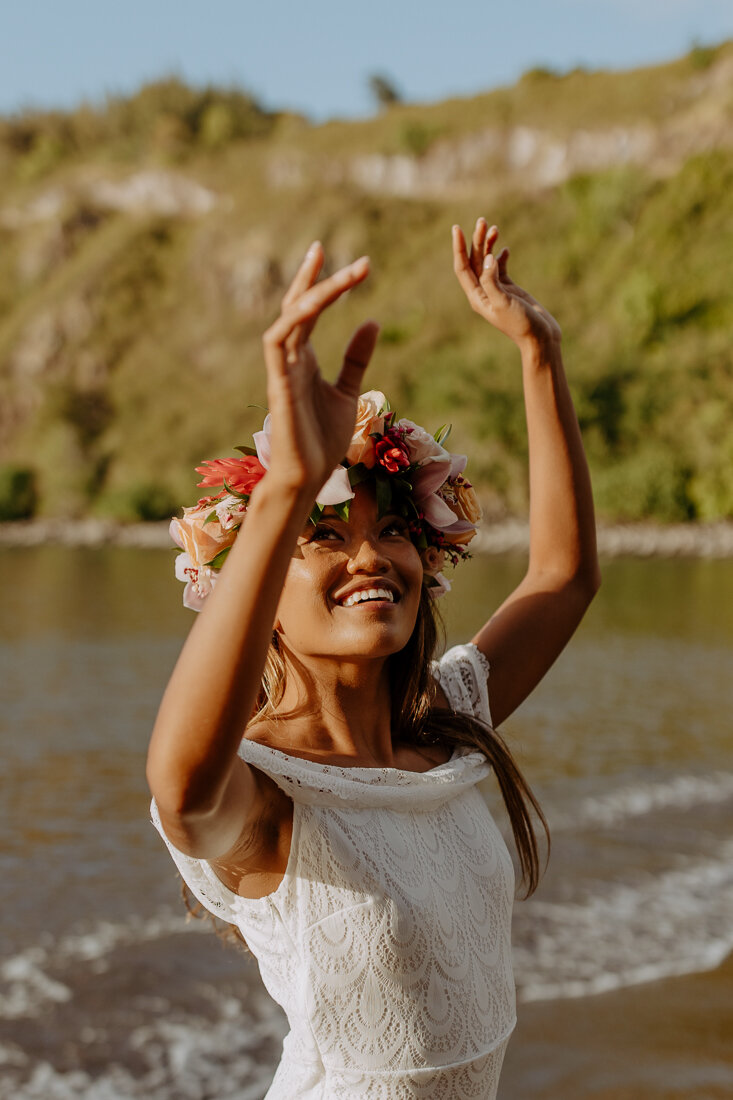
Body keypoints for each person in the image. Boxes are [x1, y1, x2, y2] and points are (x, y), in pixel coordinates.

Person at [146, 218, 600, 1099]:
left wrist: (538, 352)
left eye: (393, 528)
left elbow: (563, 575)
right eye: (323, 537)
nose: (369, 557)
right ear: (256, 594)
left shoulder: (451, 723)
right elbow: (181, 785)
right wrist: (285, 488)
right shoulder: (262, 787)